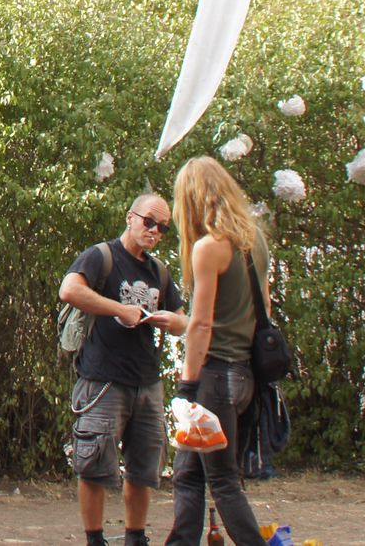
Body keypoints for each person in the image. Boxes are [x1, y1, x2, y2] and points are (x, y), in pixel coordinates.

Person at [58, 195, 187, 546]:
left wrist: (174, 321)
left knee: (144, 469)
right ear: (130, 217)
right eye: (149, 222)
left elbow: (184, 321)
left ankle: (135, 537)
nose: (154, 231)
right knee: (94, 466)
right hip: (103, 380)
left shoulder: (160, 271)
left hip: (147, 383)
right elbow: (69, 290)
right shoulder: (102, 256)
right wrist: (118, 309)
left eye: (163, 227)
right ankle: (94, 539)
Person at [164, 157, 269, 546]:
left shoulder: (209, 247)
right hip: (244, 374)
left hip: (215, 377)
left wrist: (186, 385)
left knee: (222, 480)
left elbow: (202, 324)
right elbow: (264, 308)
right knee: (187, 472)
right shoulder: (253, 240)